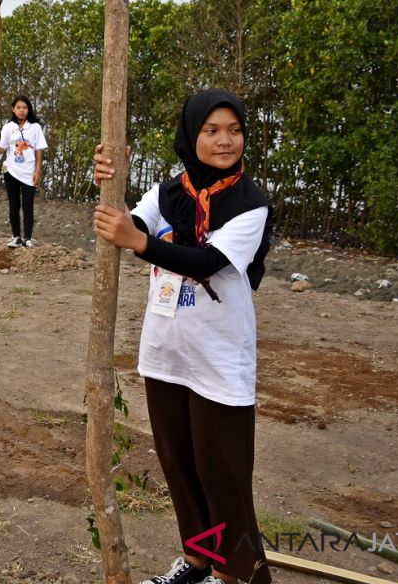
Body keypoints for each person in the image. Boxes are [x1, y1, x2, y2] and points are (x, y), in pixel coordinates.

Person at [92, 89, 274, 584]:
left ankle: (239, 575)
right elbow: (130, 224)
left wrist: (140, 243)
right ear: (191, 135)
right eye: (212, 130)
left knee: (224, 474)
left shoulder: (249, 204)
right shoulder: (169, 191)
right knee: (181, 465)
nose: (225, 141)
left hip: (218, 357)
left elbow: (208, 262)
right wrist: (110, 187)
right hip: (167, 352)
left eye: (234, 130)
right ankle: (199, 560)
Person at [0, 95, 48, 248]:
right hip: (11, 171)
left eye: (24, 108)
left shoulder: (35, 127)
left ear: (28, 110)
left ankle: (28, 238)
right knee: (14, 205)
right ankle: (16, 237)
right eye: (18, 108)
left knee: (28, 205)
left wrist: (38, 171)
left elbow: (39, 150)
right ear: (13, 109)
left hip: (29, 172)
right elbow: (1, 149)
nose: (21, 110)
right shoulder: (8, 128)